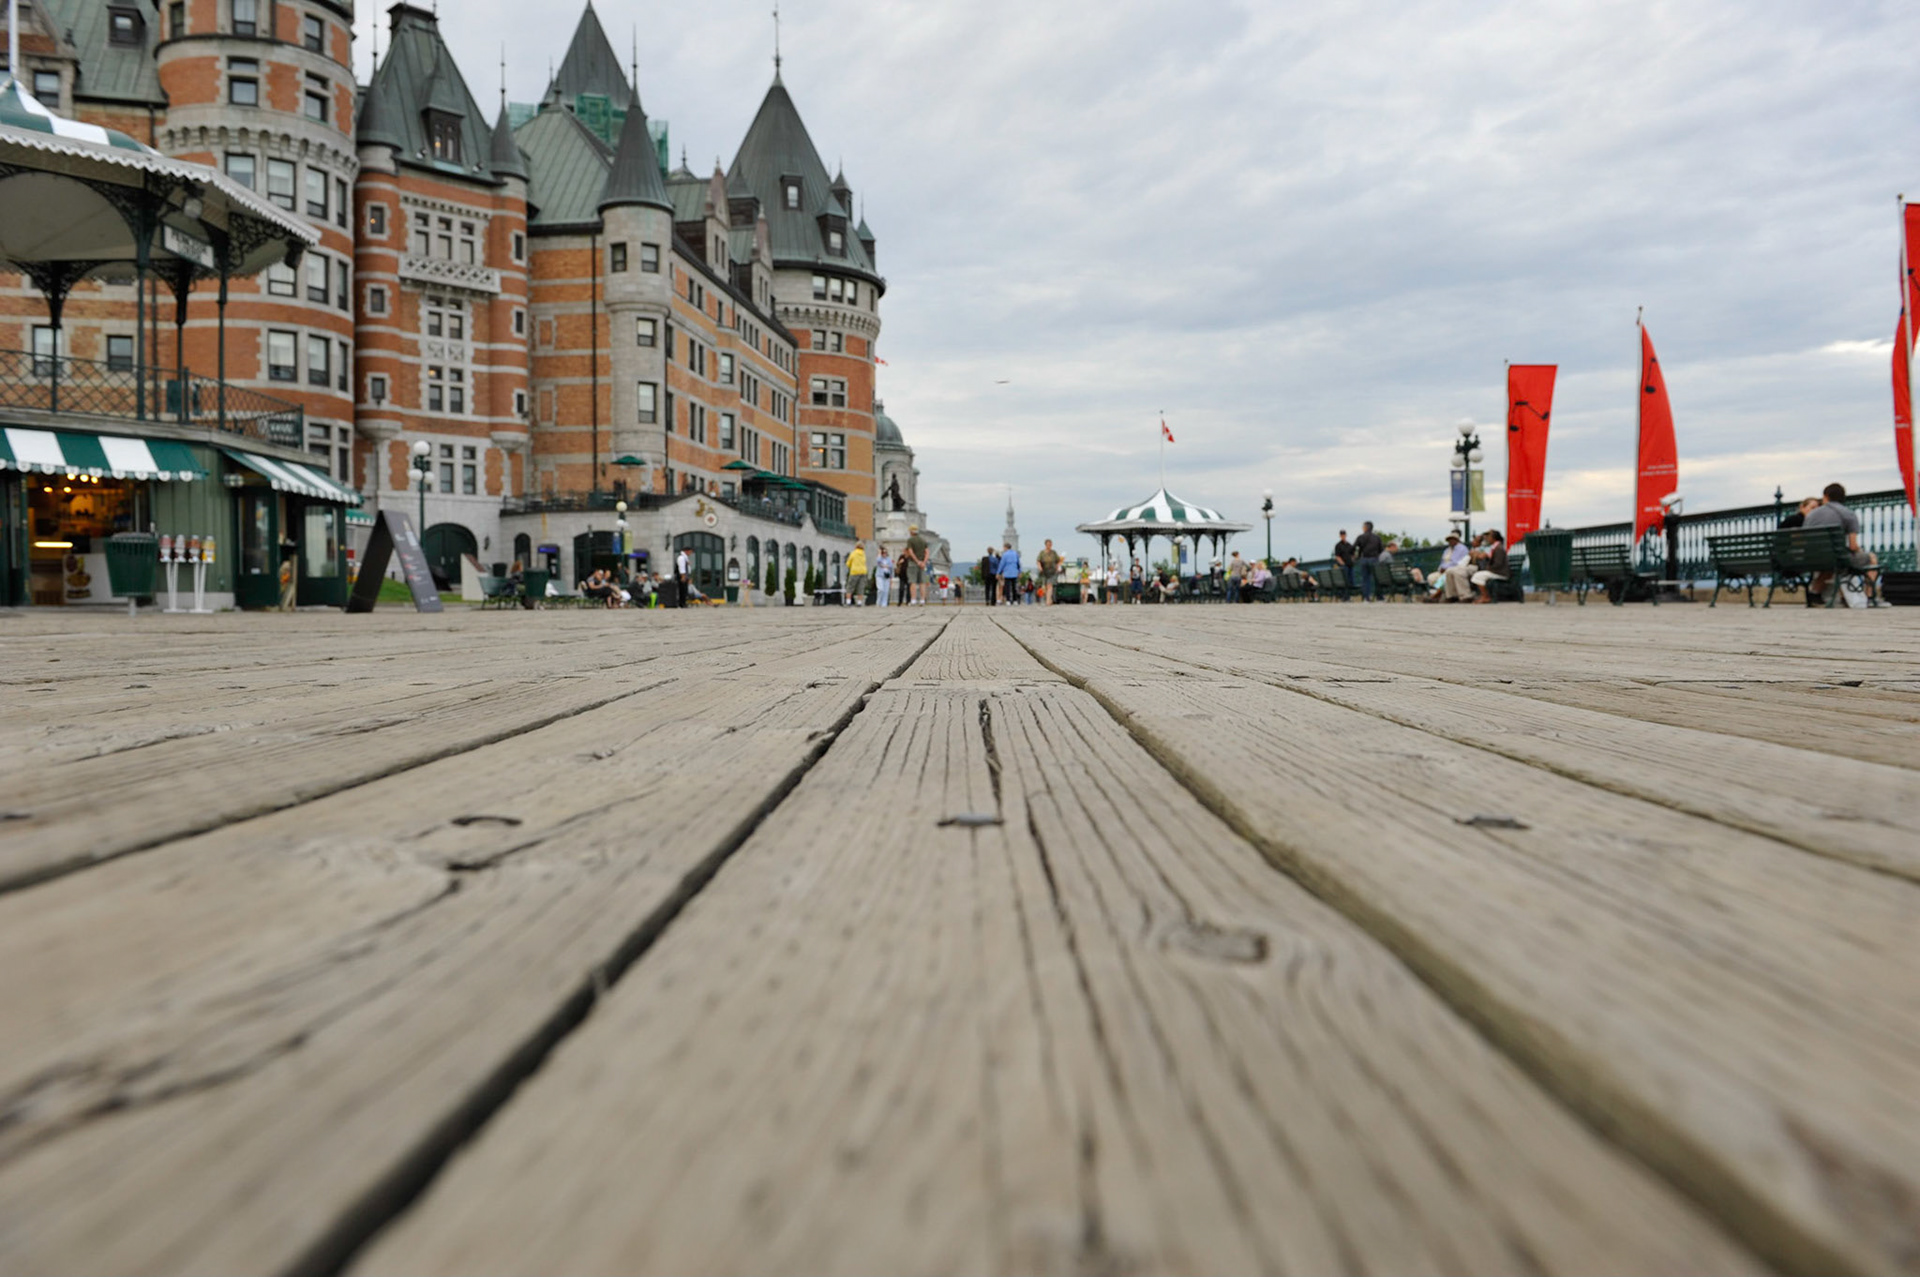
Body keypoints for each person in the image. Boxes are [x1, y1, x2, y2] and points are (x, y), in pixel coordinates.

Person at [1803, 483, 1881, 604]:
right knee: (1871, 558)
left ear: (1826, 496)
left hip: (1810, 557)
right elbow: (1853, 546)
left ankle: (1815, 594)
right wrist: (1860, 552)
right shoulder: (1848, 514)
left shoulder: (1811, 515)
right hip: (1835, 557)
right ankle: (1869, 596)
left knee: (1830, 562)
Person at [1471, 530, 1511, 603]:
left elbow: (1498, 564)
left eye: (1489, 537)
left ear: (1494, 538)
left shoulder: (1498, 548)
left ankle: (1485, 596)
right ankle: (1484, 595)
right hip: (1497, 571)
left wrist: (1488, 568)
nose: (1487, 539)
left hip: (1500, 573)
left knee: (1477, 576)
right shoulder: (1495, 547)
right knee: (1478, 575)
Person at [1353, 520, 1384, 602]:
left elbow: (1354, 547)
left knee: (1365, 579)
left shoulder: (1360, 537)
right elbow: (1381, 549)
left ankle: (1366, 597)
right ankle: (1379, 597)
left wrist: (1357, 556)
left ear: (1366, 528)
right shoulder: (1377, 538)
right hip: (1374, 559)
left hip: (1364, 559)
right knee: (1377, 578)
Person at [904, 526, 930, 605]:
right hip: (922, 563)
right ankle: (922, 600)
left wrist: (917, 561)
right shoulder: (923, 540)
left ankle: (913, 600)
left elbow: (911, 552)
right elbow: (927, 552)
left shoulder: (910, 540)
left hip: (913, 563)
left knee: (913, 582)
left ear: (911, 531)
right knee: (922, 582)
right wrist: (923, 562)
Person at [1036, 538, 1062, 605]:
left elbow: (1059, 560)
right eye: (1048, 544)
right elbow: (1038, 561)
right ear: (1045, 545)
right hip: (1044, 571)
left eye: (1050, 544)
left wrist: (1057, 566)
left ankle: (1048, 600)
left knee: (1049, 585)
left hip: (1052, 571)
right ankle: (1048, 599)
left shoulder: (1054, 553)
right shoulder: (1042, 553)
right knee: (1045, 586)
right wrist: (1040, 567)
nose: (1049, 545)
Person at [845, 541, 868, 606]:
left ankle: (848, 602)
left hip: (854, 571)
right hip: (863, 571)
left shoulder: (853, 553)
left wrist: (849, 566)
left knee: (850, 587)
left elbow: (848, 563)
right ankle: (859, 602)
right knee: (861, 587)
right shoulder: (863, 554)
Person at [674, 545, 692, 609]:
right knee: (682, 590)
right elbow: (682, 568)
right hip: (682, 576)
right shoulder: (681, 558)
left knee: (684, 590)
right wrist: (683, 576)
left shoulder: (685, 558)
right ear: (687, 551)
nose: (691, 553)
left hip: (685, 575)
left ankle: (683, 603)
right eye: (690, 551)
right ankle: (681, 603)